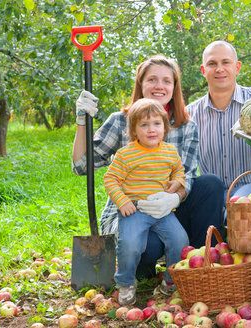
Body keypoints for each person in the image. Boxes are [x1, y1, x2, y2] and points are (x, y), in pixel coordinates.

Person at [72, 55, 225, 287]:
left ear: (174, 88)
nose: (159, 86)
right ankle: (141, 265)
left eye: (166, 81)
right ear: (140, 84)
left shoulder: (186, 126)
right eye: (152, 79)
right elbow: (81, 165)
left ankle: (196, 266)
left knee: (211, 184)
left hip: (169, 210)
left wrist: (174, 197)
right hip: (131, 210)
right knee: (148, 244)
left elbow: (187, 176)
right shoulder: (120, 122)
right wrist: (82, 120)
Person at [103, 98, 188, 305]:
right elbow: (110, 179)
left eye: (157, 124)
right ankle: (125, 282)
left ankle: (170, 281)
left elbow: (179, 172)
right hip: (136, 208)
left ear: (165, 127)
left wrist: (176, 184)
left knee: (180, 240)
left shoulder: (169, 151)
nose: (151, 129)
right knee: (130, 243)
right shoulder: (126, 155)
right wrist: (122, 201)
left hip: (162, 210)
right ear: (134, 130)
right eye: (144, 125)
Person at [188, 41, 251, 203]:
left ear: (237, 67)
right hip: (214, 192)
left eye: (225, 62)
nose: (219, 69)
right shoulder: (190, 115)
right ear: (203, 70)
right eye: (212, 63)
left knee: (239, 205)